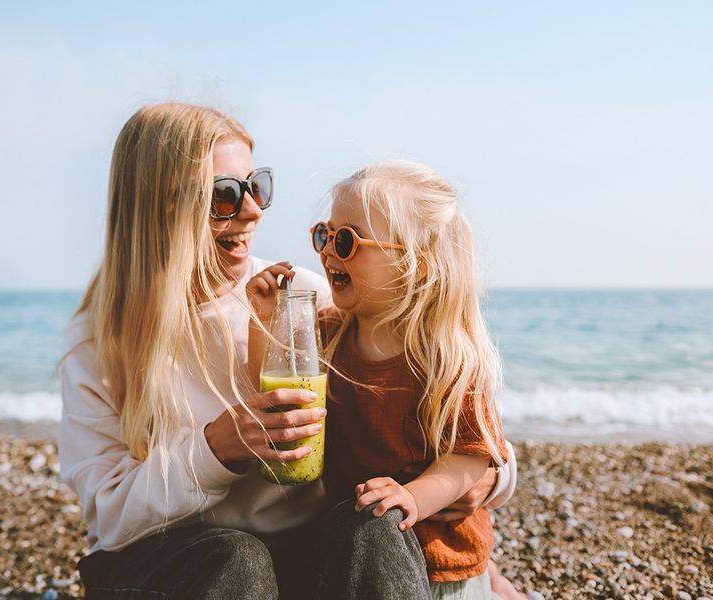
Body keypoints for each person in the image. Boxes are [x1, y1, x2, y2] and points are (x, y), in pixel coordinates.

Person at [58, 103, 517, 599]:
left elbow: (454, 422)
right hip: (179, 563)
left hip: (303, 555)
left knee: (375, 525)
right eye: (225, 196)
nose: (254, 211)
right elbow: (108, 513)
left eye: (256, 187)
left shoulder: (301, 299)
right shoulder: (101, 340)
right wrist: (216, 447)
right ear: (159, 206)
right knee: (238, 559)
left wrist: (482, 485)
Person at [247, 160, 515, 598]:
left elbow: (470, 457)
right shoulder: (328, 335)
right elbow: (282, 394)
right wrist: (266, 322)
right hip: (352, 547)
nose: (328, 251)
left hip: (441, 565)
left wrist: (414, 498)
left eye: (348, 240)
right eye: (324, 234)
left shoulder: (446, 357)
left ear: (414, 265)